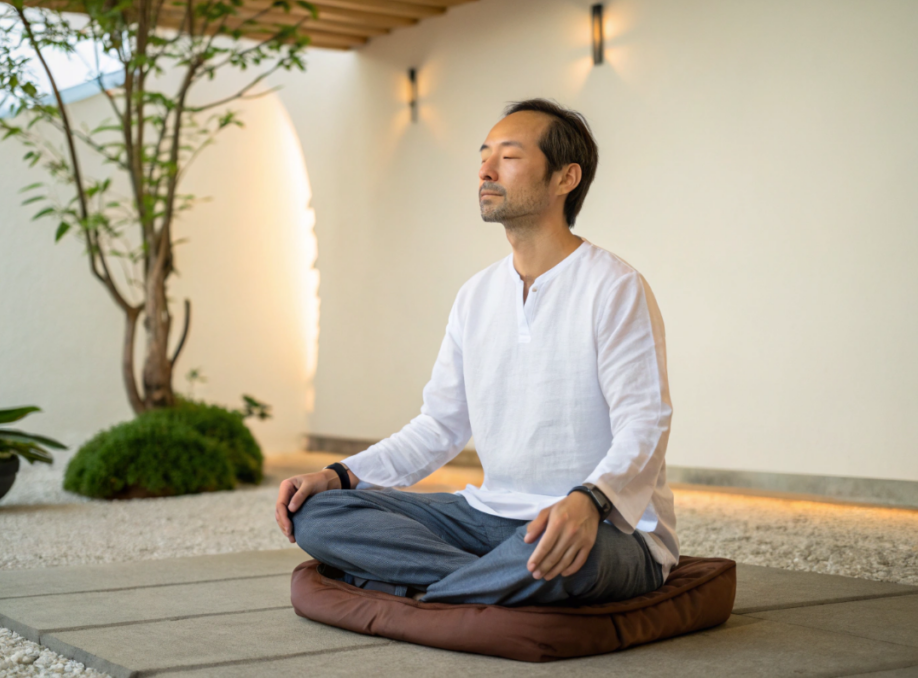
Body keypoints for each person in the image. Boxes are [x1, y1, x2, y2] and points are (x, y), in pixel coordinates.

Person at [274, 98, 678, 607]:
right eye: (484, 156)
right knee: (319, 513)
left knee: (579, 559)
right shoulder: (476, 295)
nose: (486, 171)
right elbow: (438, 426)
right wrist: (338, 475)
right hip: (488, 518)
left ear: (565, 178)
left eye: (508, 157)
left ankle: (422, 590)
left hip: (602, 527)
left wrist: (589, 500)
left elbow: (644, 423)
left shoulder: (615, 286)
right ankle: (486, 585)